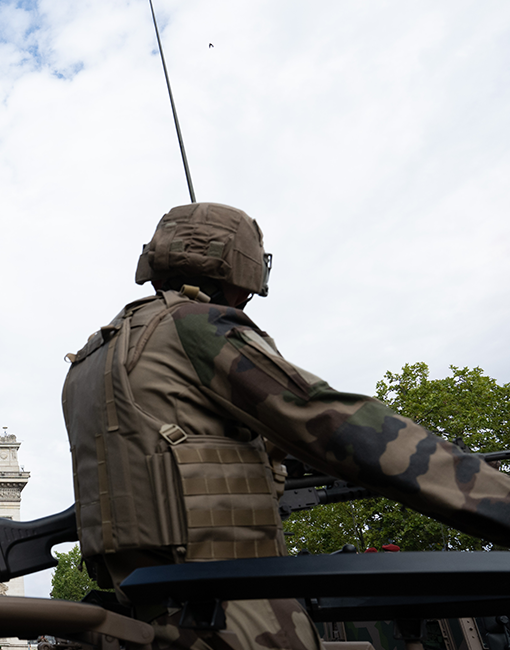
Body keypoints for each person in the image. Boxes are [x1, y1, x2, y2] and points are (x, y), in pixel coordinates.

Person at [62, 203, 510, 650]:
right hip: (234, 616)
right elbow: (337, 423)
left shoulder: (92, 358)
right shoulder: (192, 326)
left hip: (142, 620)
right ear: (242, 268)